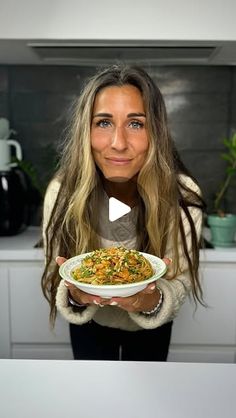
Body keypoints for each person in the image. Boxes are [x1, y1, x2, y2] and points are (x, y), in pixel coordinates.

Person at [41, 64, 205, 361]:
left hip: (151, 326)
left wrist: (151, 300)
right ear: (85, 131)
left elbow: (180, 280)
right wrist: (76, 294)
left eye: (136, 124)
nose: (118, 143)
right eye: (103, 123)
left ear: (155, 131)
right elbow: (57, 273)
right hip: (89, 323)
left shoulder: (183, 194)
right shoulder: (62, 191)